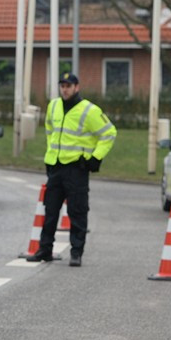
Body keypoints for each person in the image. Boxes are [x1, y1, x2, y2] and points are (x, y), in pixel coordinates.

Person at [26, 72, 117, 267]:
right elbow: (50, 130)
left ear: (77, 87)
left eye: (69, 86)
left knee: (77, 211)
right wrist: (51, 153)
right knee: (50, 210)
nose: (65, 89)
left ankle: (76, 252)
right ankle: (45, 249)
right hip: (56, 167)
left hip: (76, 168)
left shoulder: (89, 110)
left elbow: (109, 133)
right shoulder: (53, 106)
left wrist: (95, 157)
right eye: (62, 86)